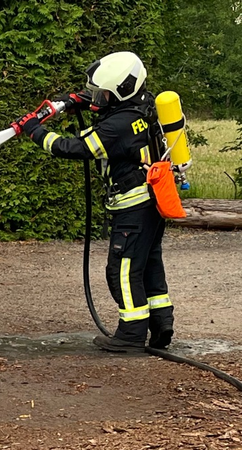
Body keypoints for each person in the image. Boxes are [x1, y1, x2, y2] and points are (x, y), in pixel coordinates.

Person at [16, 51, 174, 352]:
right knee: (149, 264)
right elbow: (108, 109)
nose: (97, 100)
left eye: (102, 95)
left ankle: (130, 335)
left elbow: (73, 148)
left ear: (122, 92)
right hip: (152, 202)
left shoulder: (117, 126)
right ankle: (161, 322)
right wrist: (76, 100)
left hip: (132, 205)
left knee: (123, 270)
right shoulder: (143, 105)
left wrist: (35, 131)